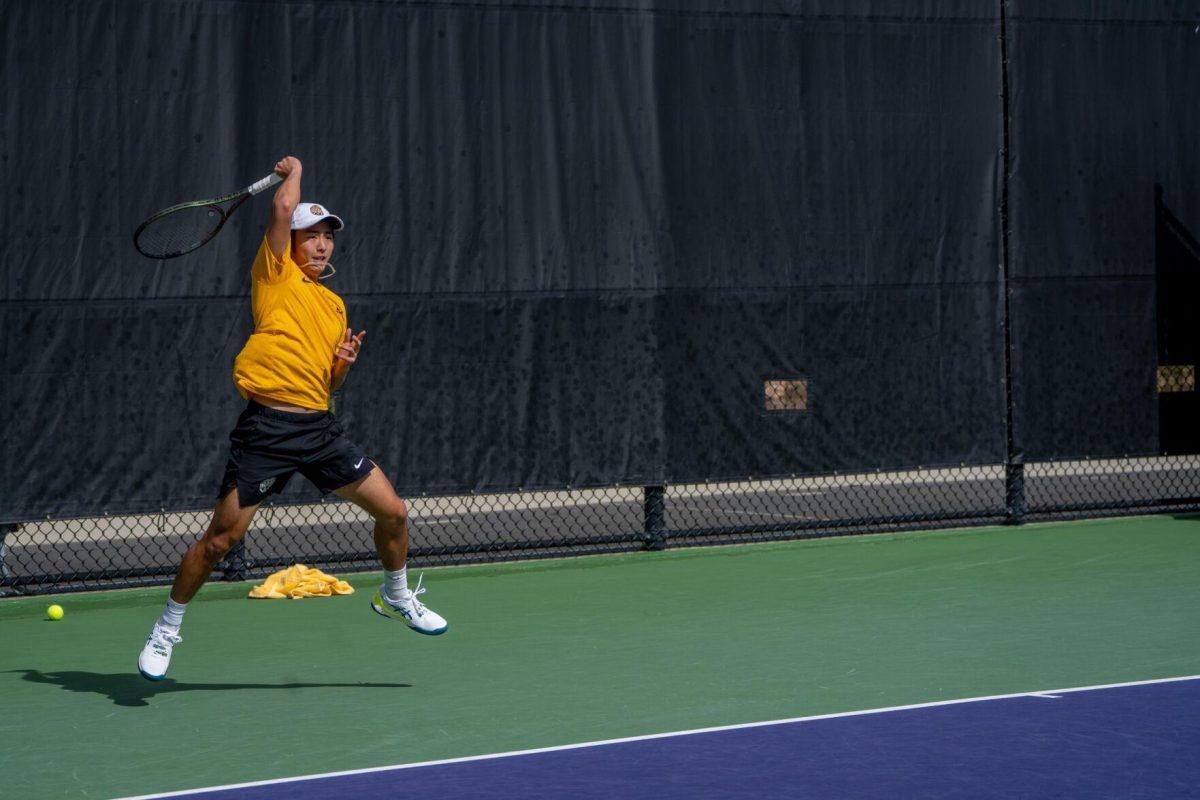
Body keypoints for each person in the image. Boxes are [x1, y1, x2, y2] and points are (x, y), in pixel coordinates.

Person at [138, 156, 447, 681]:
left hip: (319, 431)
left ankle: (396, 595)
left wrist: (341, 367)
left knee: (393, 512)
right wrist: (296, 171)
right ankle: (166, 628)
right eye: (311, 235)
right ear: (292, 242)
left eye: (329, 236)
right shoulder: (274, 274)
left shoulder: (333, 305)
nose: (322, 244)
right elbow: (283, 204)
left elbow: (326, 387)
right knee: (220, 541)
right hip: (266, 431)